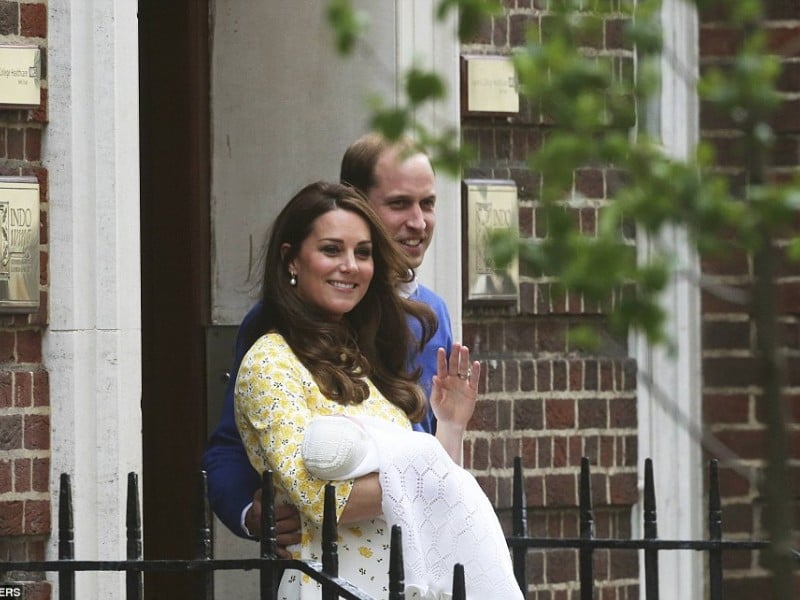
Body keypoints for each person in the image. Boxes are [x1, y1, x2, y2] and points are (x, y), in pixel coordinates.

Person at [235, 181, 494, 598]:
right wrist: (422, 472)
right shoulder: (270, 361)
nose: (351, 266)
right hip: (327, 586)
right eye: (332, 250)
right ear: (291, 260)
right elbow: (323, 503)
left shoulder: (362, 359)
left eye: (363, 252)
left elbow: (432, 481)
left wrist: (450, 424)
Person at [203, 133, 453, 542]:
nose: (418, 222)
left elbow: (433, 444)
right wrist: (250, 511)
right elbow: (234, 442)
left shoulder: (432, 314)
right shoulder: (272, 328)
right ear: (355, 200)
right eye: (398, 204)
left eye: (427, 203)